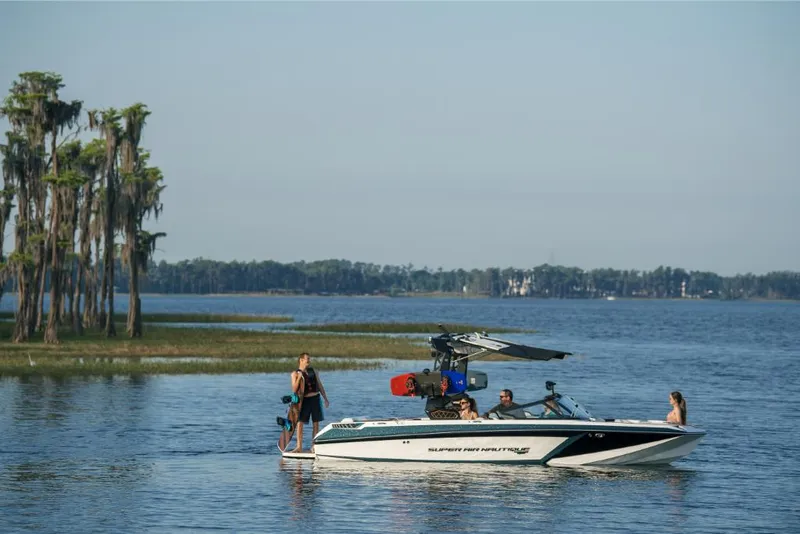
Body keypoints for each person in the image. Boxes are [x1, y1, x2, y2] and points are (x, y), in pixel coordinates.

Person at [290, 352, 330, 452]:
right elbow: (294, 389)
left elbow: (320, 385)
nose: (309, 360)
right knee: (300, 423)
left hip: (315, 399)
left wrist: (325, 398)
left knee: (316, 423)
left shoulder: (314, 371)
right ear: (301, 360)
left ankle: (313, 446)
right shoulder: (294, 374)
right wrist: (300, 376)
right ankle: (299, 447)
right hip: (304, 401)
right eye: (307, 359)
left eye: (309, 359)